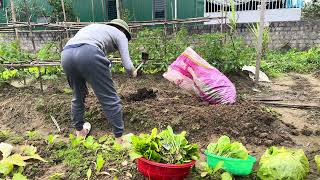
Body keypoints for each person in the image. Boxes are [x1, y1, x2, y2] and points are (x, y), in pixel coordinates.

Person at [61, 19, 137, 143]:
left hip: (67, 54)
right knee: (110, 98)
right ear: (123, 30)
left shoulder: (96, 28)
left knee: (77, 95)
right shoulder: (120, 34)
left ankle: (80, 132)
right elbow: (128, 65)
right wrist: (133, 72)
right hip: (89, 53)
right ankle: (120, 140)